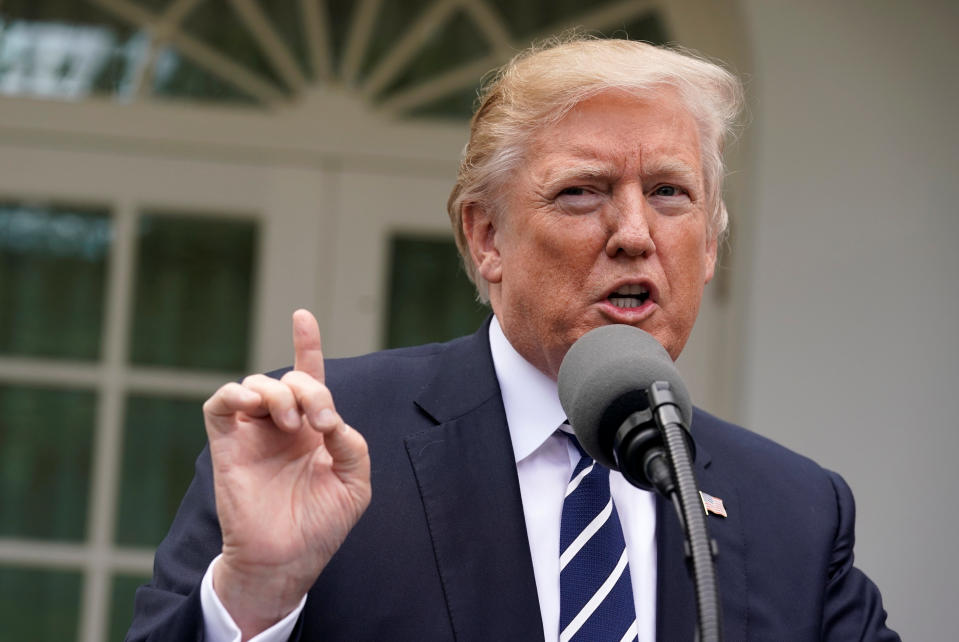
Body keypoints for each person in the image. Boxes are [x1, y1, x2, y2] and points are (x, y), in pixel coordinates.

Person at [127, 37, 898, 641]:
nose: (633, 233)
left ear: (707, 246)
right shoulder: (321, 447)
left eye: (668, 192)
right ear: (486, 236)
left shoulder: (794, 510)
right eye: (581, 192)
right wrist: (257, 598)